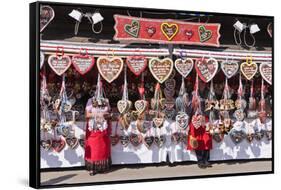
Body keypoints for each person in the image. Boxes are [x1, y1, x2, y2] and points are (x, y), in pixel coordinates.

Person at [84, 75, 112, 176]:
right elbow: (87, 115)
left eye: (101, 89)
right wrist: (97, 114)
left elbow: (109, 113)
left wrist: (106, 115)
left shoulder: (106, 101)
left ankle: (102, 167)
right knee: (93, 148)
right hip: (93, 129)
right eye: (97, 89)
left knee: (102, 148)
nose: (99, 91)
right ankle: (92, 168)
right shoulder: (90, 101)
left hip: (103, 129)